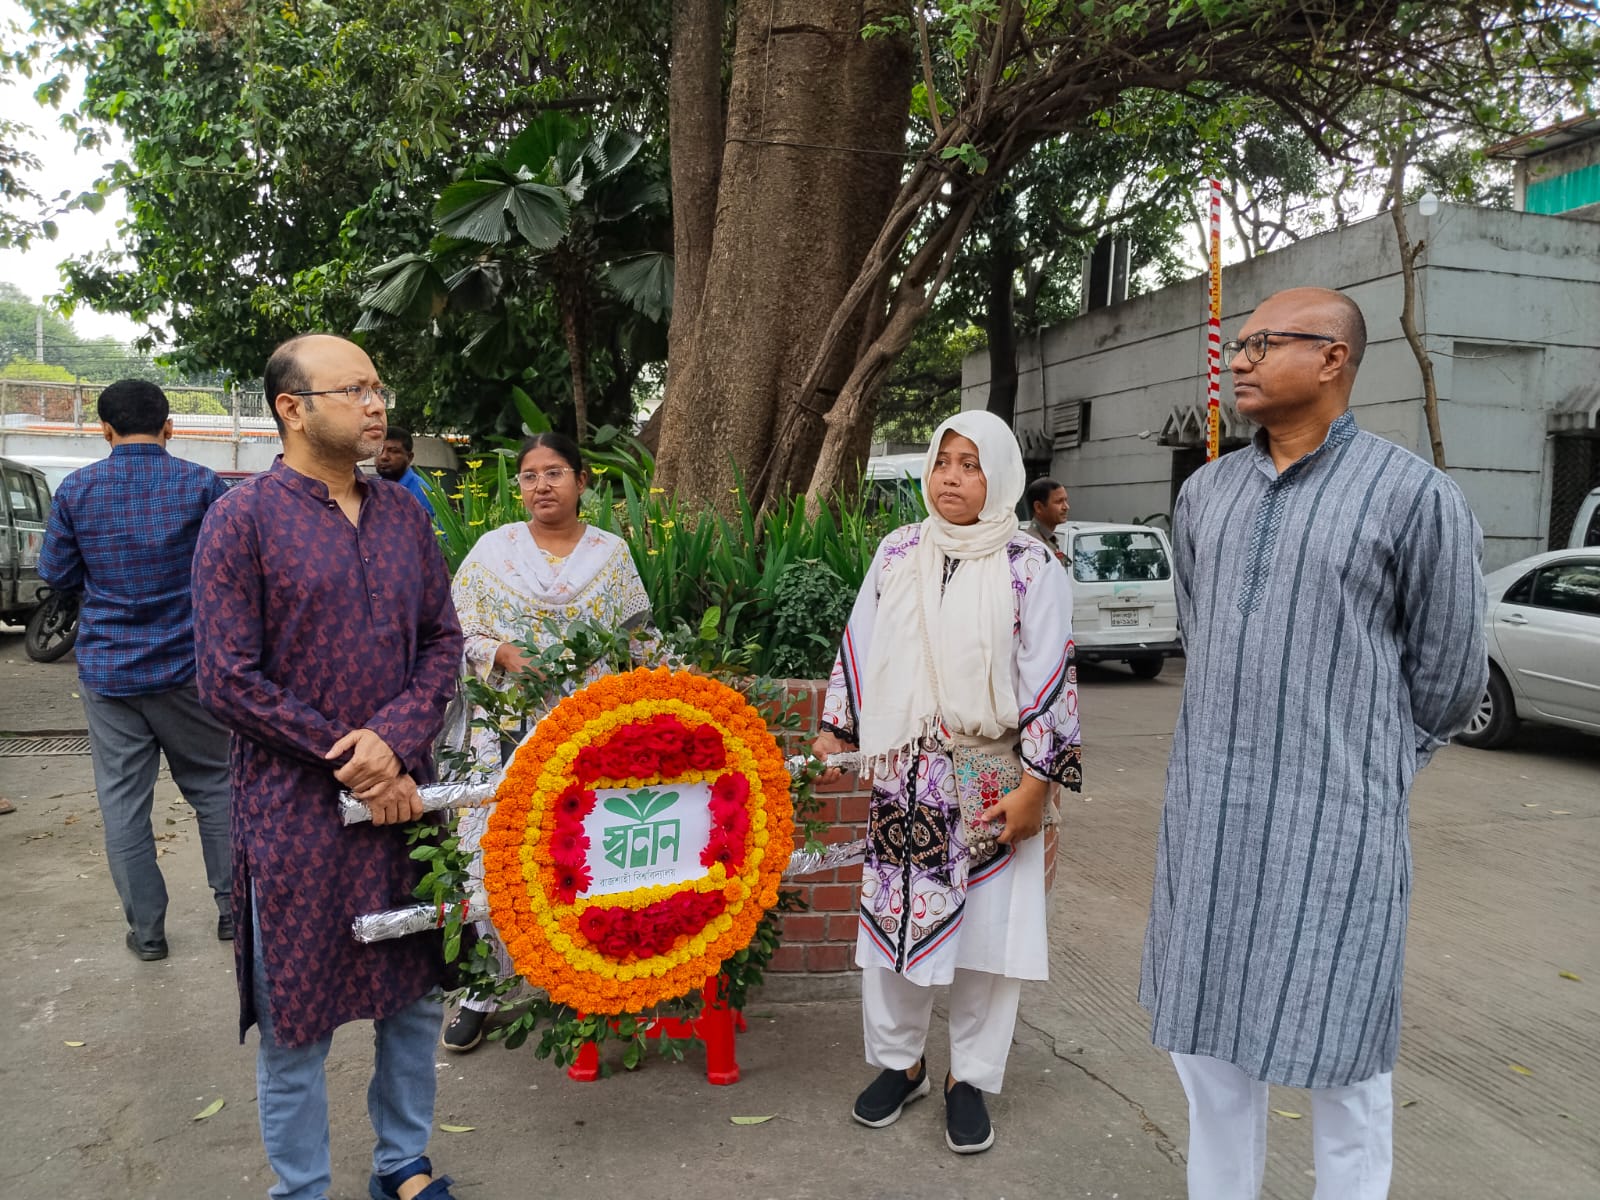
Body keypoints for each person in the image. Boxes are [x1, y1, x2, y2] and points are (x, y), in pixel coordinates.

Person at [1138, 288, 1488, 1199]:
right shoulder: (1205, 495)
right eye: (1237, 343)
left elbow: (1451, 682)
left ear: (1333, 358)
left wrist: (1361, 770)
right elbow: (1202, 633)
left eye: (1262, 343)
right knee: (1209, 1056)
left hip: (1338, 831)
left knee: (1346, 1061)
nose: (1240, 359)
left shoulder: (1415, 496)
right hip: (1211, 821)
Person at [192, 334, 464, 1200]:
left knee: (415, 1001)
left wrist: (394, 743)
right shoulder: (242, 521)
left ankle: (402, 1166)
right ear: (292, 408)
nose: (376, 403)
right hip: (295, 814)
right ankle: (301, 1188)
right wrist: (350, 756)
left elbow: (442, 643)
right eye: (353, 389)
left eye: (378, 386)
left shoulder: (404, 515)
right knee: (296, 1020)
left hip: (404, 800)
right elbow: (226, 678)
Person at [813, 410, 1082, 1155]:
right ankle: (901, 1065)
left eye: (970, 464)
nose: (952, 478)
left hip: (992, 775)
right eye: (942, 462)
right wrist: (841, 724)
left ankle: (972, 1079)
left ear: (998, 475)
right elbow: (861, 641)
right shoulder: (898, 550)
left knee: (988, 944)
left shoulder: (1033, 566)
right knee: (896, 928)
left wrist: (1038, 786)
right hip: (906, 776)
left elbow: (1050, 680)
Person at [440, 430, 660, 1052]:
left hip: (585, 730)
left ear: (582, 481)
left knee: (583, 849)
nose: (541, 485)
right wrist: (499, 652)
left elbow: (636, 639)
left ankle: (587, 981)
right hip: (504, 726)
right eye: (531, 475)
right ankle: (485, 987)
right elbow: (452, 632)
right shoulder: (491, 552)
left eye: (555, 472)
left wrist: (670, 691)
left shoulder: (611, 555)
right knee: (492, 848)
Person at [38, 378, 233, 961]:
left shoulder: (76, 490)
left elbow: (58, 574)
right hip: (189, 670)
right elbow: (231, 572)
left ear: (105, 428)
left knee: (124, 805)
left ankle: (147, 933)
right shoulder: (204, 486)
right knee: (216, 788)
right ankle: (233, 912)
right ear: (169, 426)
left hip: (109, 674)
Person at [374, 425, 436, 518]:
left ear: (409, 457)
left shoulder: (423, 493)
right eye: (379, 450)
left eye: (393, 451)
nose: (384, 457)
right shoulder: (372, 489)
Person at [1022, 476, 1070, 568]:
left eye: (1065, 500)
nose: (1066, 507)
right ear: (1038, 507)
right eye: (1059, 501)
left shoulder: (1049, 540)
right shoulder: (1032, 546)